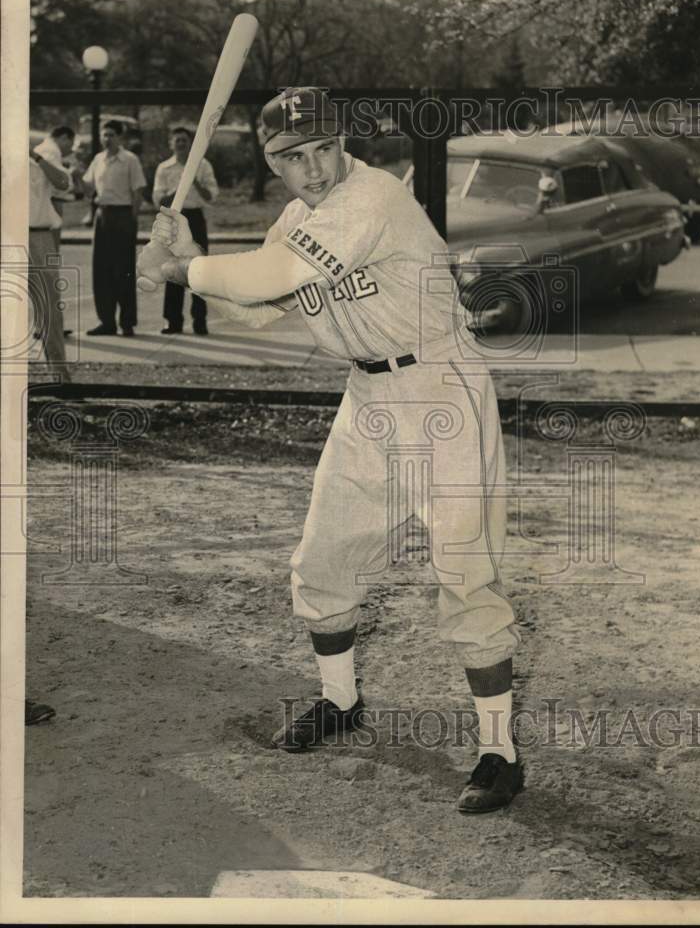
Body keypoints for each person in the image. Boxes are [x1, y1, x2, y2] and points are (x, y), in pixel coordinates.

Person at [137, 88, 523, 814]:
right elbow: (254, 311)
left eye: (322, 148)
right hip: (367, 396)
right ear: (272, 162)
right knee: (322, 558)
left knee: (465, 571)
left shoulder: (371, 196)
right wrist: (190, 257)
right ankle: (340, 701)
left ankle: (499, 753)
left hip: (439, 386)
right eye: (292, 157)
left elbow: (274, 276)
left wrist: (181, 272)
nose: (312, 169)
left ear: (343, 143)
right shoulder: (295, 218)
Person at [77, 119, 146, 337]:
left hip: (123, 215)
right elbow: (89, 190)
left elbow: (138, 192)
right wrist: (77, 175)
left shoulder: (130, 160)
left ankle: (127, 322)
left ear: (120, 138)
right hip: (102, 215)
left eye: (111, 135)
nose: (107, 139)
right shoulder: (98, 159)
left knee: (123, 271)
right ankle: (106, 321)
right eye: (104, 135)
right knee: (102, 271)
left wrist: (132, 219)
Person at [152, 126, 218, 335]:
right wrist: (180, 187)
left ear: (191, 143)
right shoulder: (164, 168)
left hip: (195, 219)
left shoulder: (203, 165)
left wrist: (194, 179)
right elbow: (158, 200)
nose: (181, 144)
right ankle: (172, 321)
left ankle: (200, 321)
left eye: (184, 140)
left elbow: (212, 196)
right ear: (171, 144)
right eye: (177, 140)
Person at [29, 146, 71, 382]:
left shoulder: (41, 161)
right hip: (9, 236)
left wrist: (35, 156)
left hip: (40, 236)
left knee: (50, 308)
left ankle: (60, 375)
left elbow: (64, 183)